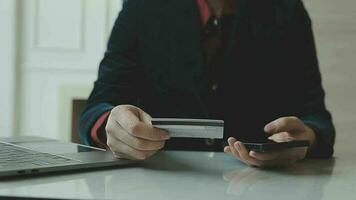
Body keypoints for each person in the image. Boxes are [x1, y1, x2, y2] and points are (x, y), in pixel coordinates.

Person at [79, 0, 335, 167]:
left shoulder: (287, 9)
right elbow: (98, 106)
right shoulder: (143, 6)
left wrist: (305, 139)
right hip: (160, 183)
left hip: (261, 186)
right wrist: (111, 126)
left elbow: (317, 118)